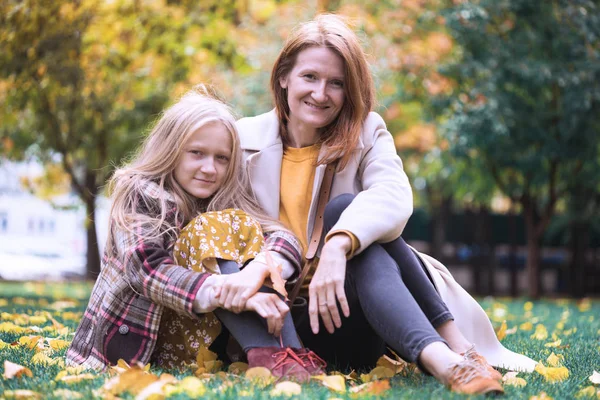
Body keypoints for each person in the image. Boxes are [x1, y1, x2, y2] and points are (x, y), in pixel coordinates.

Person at [236, 14, 537, 395]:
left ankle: (446, 361)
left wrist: (338, 243)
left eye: (336, 84)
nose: (321, 93)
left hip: (353, 313)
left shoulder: (366, 131)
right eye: (309, 77)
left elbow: (394, 195)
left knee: (348, 213)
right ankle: (452, 352)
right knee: (348, 213)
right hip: (286, 323)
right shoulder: (242, 138)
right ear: (284, 77)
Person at [66, 86, 323, 382]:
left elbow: (285, 238)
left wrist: (255, 273)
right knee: (209, 227)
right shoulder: (140, 193)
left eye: (222, 158)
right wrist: (228, 291)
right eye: (197, 153)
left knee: (235, 224)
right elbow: (147, 271)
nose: (210, 168)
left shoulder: (227, 198)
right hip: (143, 345)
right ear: (171, 149)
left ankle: (284, 354)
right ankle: (275, 356)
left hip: (207, 346)